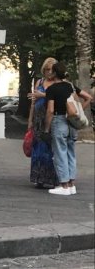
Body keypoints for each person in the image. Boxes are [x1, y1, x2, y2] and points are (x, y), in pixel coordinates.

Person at [43, 61, 91, 196]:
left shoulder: (51, 90)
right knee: (71, 152)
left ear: (53, 73)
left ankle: (63, 185)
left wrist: (46, 128)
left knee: (60, 153)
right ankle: (71, 185)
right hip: (71, 123)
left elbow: (50, 111)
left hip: (59, 121)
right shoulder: (70, 86)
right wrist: (78, 112)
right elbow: (87, 98)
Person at [27, 58, 59, 188]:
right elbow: (33, 102)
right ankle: (38, 178)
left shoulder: (58, 83)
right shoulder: (39, 82)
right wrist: (30, 120)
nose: (49, 72)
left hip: (51, 118)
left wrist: (43, 95)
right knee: (37, 149)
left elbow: (60, 98)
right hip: (38, 119)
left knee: (50, 149)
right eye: (46, 69)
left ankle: (51, 179)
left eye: (51, 69)